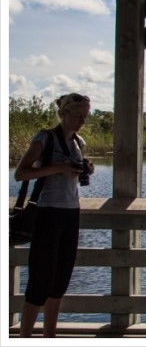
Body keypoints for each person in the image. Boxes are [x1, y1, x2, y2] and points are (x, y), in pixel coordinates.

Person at [14, 93, 94, 337]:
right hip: (47, 212)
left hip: (71, 212)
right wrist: (59, 168)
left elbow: (74, 175)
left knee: (60, 278)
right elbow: (21, 173)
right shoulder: (45, 138)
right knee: (40, 278)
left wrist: (85, 169)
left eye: (85, 115)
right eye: (76, 114)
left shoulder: (79, 143)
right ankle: (25, 336)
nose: (81, 120)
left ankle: (50, 335)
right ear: (62, 113)